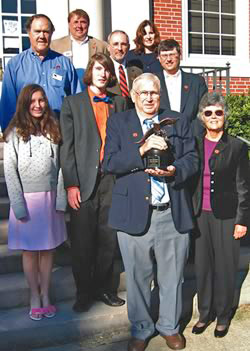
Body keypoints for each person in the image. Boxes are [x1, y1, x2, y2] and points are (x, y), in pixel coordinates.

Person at [103, 73, 198, 351]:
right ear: (133, 96)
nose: (148, 98)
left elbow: (192, 158)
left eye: (154, 93)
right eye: (142, 93)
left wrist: (175, 170)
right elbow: (109, 162)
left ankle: (169, 326)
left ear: (160, 95)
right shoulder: (119, 122)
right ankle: (141, 328)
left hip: (171, 210)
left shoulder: (177, 120)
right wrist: (142, 149)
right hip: (133, 213)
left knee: (173, 276)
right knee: (136, 277)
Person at [60, 53, 127, 313]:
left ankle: (105, 289)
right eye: (98, 68)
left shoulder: (120, 103)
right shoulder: (72, 103)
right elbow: (67, 148)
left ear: (111, 75)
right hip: (84, 183)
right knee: (83, 242)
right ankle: (83, 293)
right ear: (90, 71)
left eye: (106, 69)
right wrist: (71, 184)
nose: (102, 73)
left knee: (108, 239)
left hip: (111, 179)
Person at [3, 84, 67, 321]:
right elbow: (9, 170)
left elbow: (62, 166)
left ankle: (46, 294)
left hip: (49, 199)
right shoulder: (14, 133)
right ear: (24, 103)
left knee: (48, 250)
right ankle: (34, 296)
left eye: (41, 100)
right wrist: (18, 205)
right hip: (27, 202)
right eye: (33, 101)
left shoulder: (53, 129)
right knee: (30, 252)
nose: (38, 105)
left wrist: (60, 198)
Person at [191, 92, 250, 338]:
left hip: (226, 216)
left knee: (225, 268)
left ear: (225, 115)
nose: (214, 117)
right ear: (201, 117)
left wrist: (242, 221)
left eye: (218, 112)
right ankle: (205, 313)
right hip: (199, 215)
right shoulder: (193, 144)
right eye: (208, 112)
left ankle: (223, 315)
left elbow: (244, 186)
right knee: (203, 267)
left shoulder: (237, 146)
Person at [0, 14, 79, 132]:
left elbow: (77, 101)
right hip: (26, 133)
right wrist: (9, 134)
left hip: (59, 132)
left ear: (51, 33)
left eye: (46, 31)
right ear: (29, 33)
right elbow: (8, 104)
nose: (42, 36)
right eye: (37, 31)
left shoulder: (64, 63)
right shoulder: (15, 65)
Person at [156, 39, 207, 135]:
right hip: (161, 137)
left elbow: (204, 111)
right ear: (158, 58)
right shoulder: (152, 81)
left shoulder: (197, 82)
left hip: (191, 136)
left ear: (179, 55)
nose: (168, 59)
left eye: (172, 54)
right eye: (164, 55)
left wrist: (193, 133)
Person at [51, 9, 108, 89]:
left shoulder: (101, 46)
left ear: (88, 24)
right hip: (65, 89)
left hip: (92, 90)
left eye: (83, 22)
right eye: (76, 22)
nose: (79, 26)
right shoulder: (55, 45)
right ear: (69, 24)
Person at [107, 30, 142, 108]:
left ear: (128, 47)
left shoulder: (137, 72)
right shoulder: (103, 70)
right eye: (115, 44)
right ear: (108, 47)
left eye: (123, 44)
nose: (119, 48)